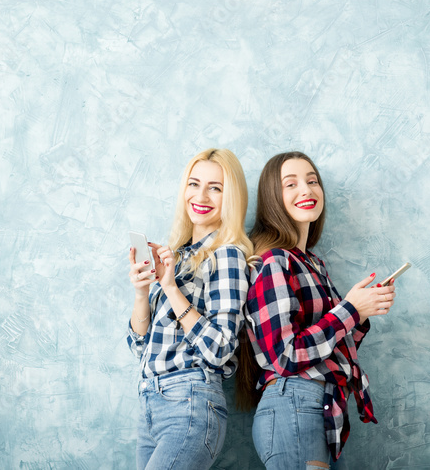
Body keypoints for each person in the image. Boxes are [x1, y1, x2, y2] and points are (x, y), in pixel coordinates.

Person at [238, 151, 396, 469]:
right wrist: (349, 309)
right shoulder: (273, 260)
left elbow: (330, 349)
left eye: (312, 181)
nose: (306, 190)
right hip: (295, 402)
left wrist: (361, 312)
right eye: (291, 184)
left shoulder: (313, 264)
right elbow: (286, 356)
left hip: (318, 406)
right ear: (272, 197)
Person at [127, 148, 253, 469]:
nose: (201, 195)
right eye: (194, 184)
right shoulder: (178, 257)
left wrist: (169, 288)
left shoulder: (227, 256)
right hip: (150, 405)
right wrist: (144, 292)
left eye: (216, 187)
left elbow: (220, 348)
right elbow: (140, 346)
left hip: (190, 401)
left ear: (231, 198)